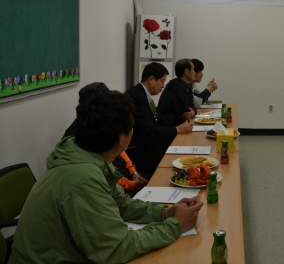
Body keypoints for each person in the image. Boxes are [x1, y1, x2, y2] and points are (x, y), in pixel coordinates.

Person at [8, 91, 203, 263]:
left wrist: (165, 213)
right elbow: (114, 249)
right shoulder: (83, 178)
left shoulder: (87, 154)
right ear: (122, 138)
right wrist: (175, 226)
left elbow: (121, 204)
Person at [64, 82, 148, 193]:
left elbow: (118, 149)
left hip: (123, 176)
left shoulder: (105, 124)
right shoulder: (83, 134)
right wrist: (132, 185)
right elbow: (105, 174)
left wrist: (134, 172)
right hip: (113, 185)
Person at [125, 62, 192, 174]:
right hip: (140, 152)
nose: (163, 86)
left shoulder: (140, 93)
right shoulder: (137, 97)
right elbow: (147, 131)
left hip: (148, 145)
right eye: (162, 81)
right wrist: (177, 129)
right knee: (180, 161)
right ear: (151, 79)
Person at [156, 59, 197, 127]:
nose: (195, 73)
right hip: (170, 128)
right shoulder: (178, 88)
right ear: (186, 72)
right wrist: (192, 112)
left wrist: (193, 112)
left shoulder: (183, 86)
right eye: (193, 70)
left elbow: (191, 107)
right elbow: (185, 113)